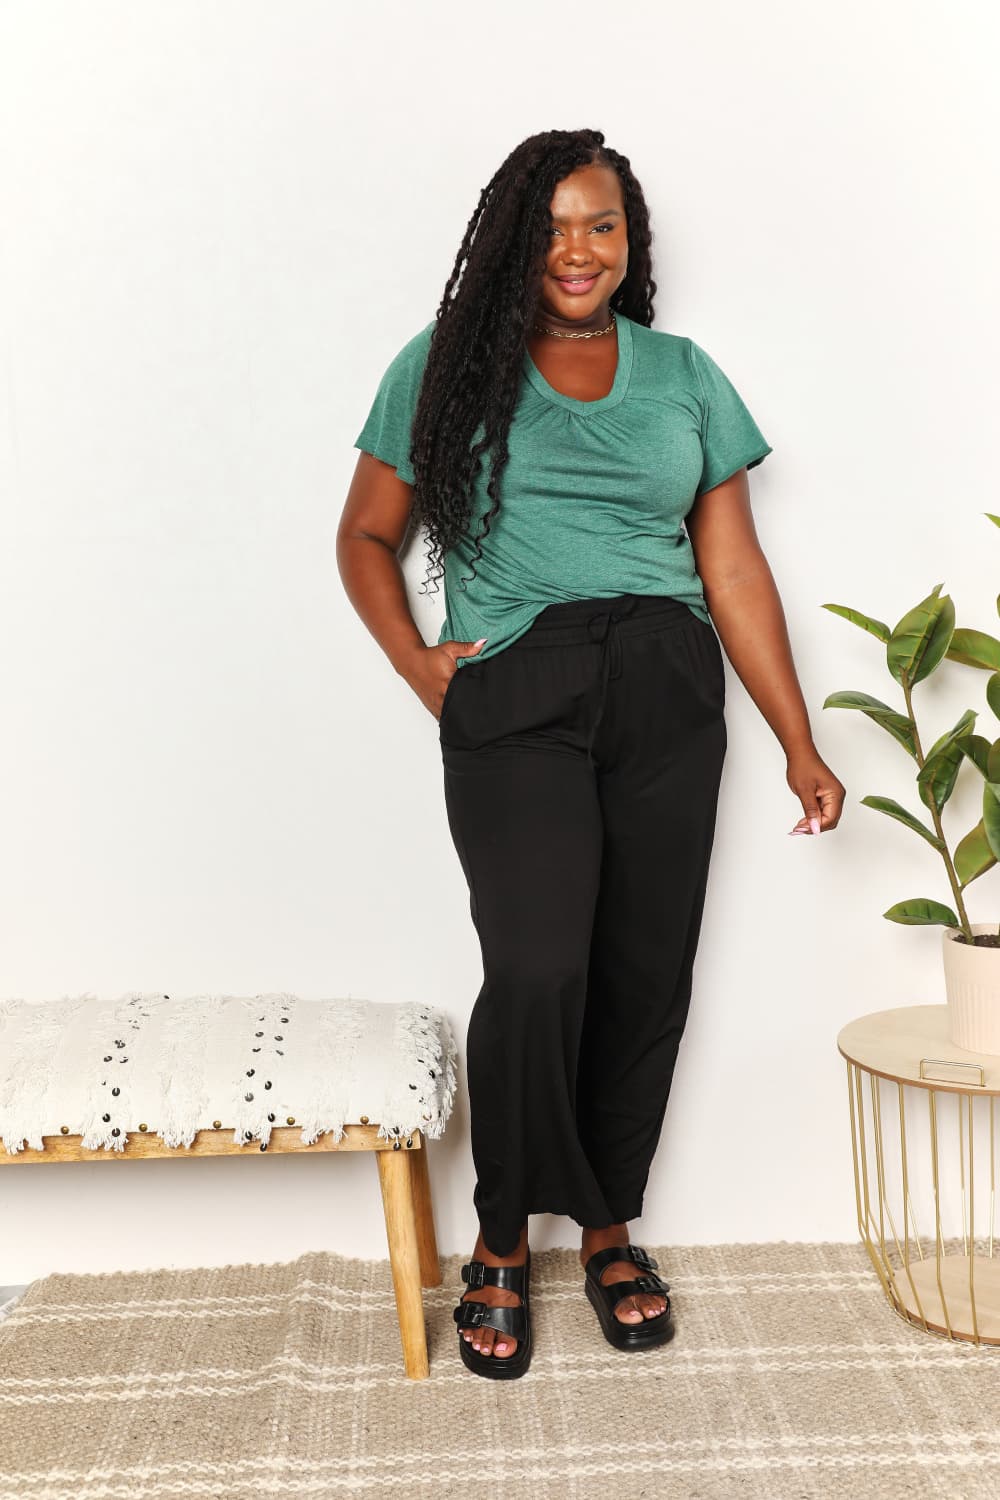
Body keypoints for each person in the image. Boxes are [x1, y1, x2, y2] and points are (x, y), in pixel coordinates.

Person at [338, 128, 846, 1380]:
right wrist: (419, 664)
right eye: (555, 225)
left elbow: (730, 567)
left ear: (631, 243)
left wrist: (797, 737)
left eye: (601, 225)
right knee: (537, 967)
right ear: (516, 237)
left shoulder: (681, 375)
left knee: (639, 974)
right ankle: (503, 1233)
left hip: (667, 687)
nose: (578, 249)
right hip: (517, 687)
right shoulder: (443, 368)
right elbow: (363, 536)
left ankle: (609, 1224)